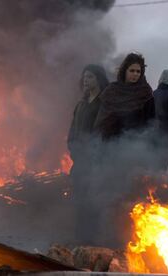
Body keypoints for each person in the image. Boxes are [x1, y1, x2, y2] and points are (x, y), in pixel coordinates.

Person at [91, 53, 155, 248]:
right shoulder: (111, 92)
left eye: (138, 71)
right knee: (109, 194)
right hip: (110, 150)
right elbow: (101, 122)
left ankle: (129, 240)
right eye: (132, 70)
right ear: (124, 71)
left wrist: (142, 146)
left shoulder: (146, 94)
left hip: (134, 153)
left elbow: (151, 124)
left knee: (131, 197)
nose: (135, 74)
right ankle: (109, 238)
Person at [67, 64, 108, 244]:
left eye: (90, 77)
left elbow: (103, 133)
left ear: (98, 79)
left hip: (95, 163)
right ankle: (80, 241)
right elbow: (72, 131)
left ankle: (90, 242)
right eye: (84, 76)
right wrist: (73, 149)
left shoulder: (103, 105)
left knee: (92, 203)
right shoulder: (81, 105)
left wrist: (94, 156)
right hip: (80, 161)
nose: (86, 80)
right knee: (79, 201)